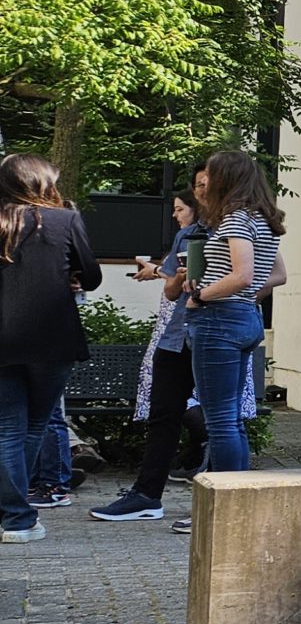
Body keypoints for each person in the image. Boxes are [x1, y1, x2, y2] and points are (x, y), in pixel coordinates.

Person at [0, 154, 102, 542]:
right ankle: (18, 519)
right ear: (42, 183)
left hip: (3, 340)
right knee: (34, 426)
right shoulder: (64, 220)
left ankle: (15, 517)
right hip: (52, 339)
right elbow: (90, 276)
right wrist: (71, 278)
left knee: (8, 430)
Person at [88, 188, 205, 523]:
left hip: (213, 335)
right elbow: (171, 290)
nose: (175, 213)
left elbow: (271, 276)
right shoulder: (187, 235)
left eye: (206, 186)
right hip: (175, 337)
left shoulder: (239, 228)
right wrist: (175, 278)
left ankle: (225, 501)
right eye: (198, 185)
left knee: (223, 422)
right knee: (162, 416)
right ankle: (146, 496)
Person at [184, 152, 282, 495]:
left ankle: (226, 501)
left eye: (210, 174)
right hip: (245, 319)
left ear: (225, 178)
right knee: (232, 418)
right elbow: (277, 275)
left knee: (220, 420)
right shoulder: (263, 220)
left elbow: (242, 276)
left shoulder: (235, 220)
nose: (205, 181)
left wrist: (201, 295)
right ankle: (241, 496)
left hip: (218, 320)